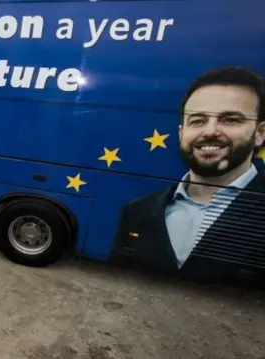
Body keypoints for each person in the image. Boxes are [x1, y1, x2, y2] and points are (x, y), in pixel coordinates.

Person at [109, 66, 265, 289]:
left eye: (230, 120)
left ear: (260, 133)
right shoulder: (138, 210)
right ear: (182, 133)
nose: (210, 131)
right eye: (198, 121)